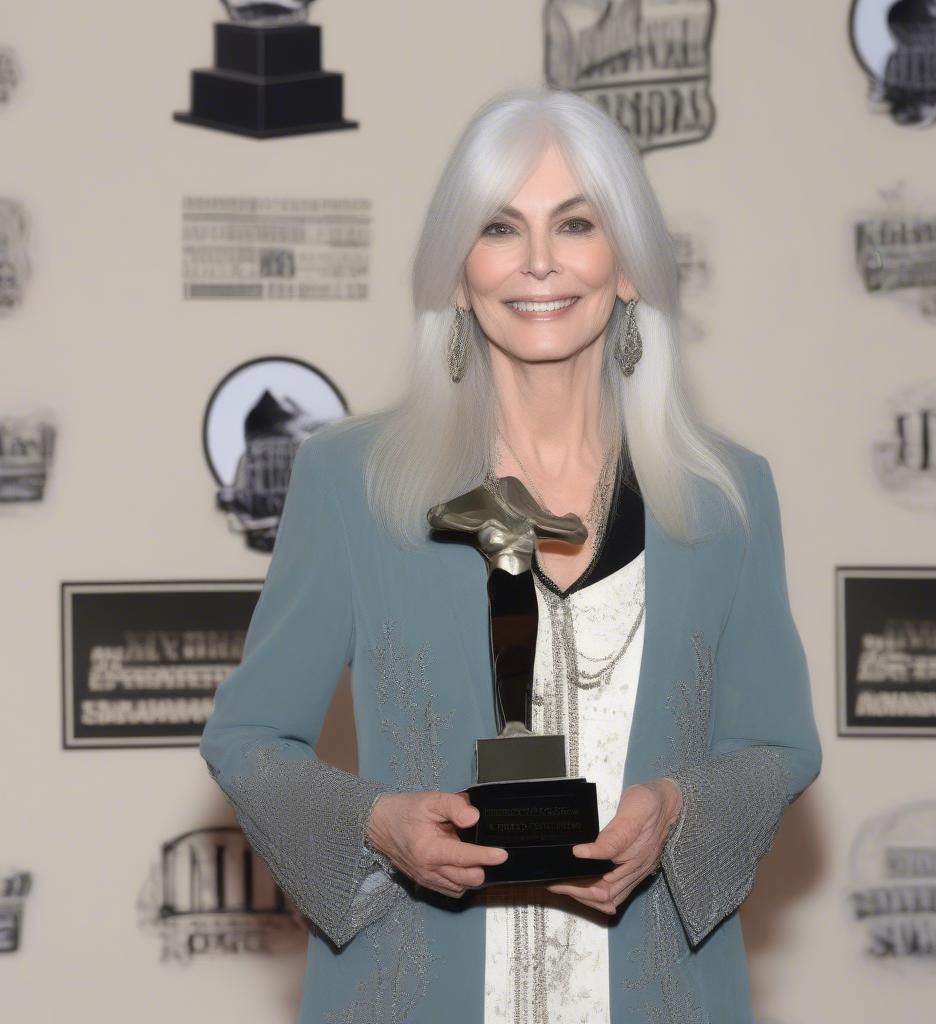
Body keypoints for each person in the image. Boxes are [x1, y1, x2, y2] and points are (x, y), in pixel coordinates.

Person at [199, 88, 822, 1024]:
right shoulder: (351, 483)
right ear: (457, 271)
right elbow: (247, 742)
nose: (538, 262)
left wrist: (677, 809)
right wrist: (378, 824)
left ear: (628, 267)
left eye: (576, 223)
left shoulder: (726, 496)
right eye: (499, 227)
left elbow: (778, 747)